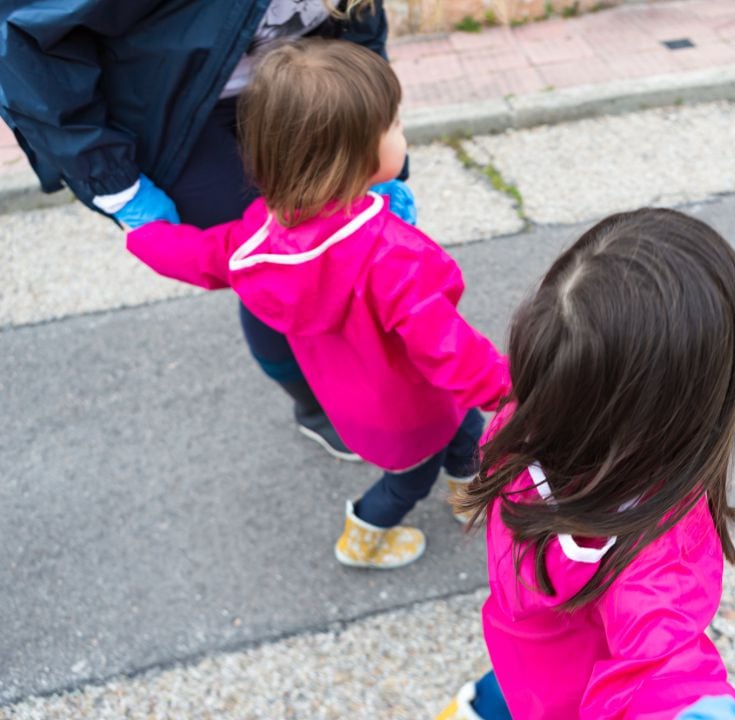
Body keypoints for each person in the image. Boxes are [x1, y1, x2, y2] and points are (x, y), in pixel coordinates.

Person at [126, 39, 509, 568]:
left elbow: (193, 255)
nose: (403, 134)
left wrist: (145, 231)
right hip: (415, 408)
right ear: (352, 155)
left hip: (356, 404)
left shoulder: (254, 235)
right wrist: (513, 390)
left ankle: (470, 489)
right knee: (408, 483)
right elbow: (448, 345)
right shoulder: (390, 255)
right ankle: (364, 535)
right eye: (393, 126)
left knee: (467, 437)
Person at [0, 0, 409, 461]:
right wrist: (114, 183)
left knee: (348, 256)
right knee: (272, 274)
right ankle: (314, 406)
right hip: (177, 113)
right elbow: (23, 37)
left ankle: (369, 375)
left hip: (310, 80)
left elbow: (359, 23)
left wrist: (374, 128)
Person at [438, 208, 735, 719]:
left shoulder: (521, 421)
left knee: (514, 688)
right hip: (573, 698)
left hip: (525, 649)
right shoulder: (650, 541)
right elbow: (663, 669)